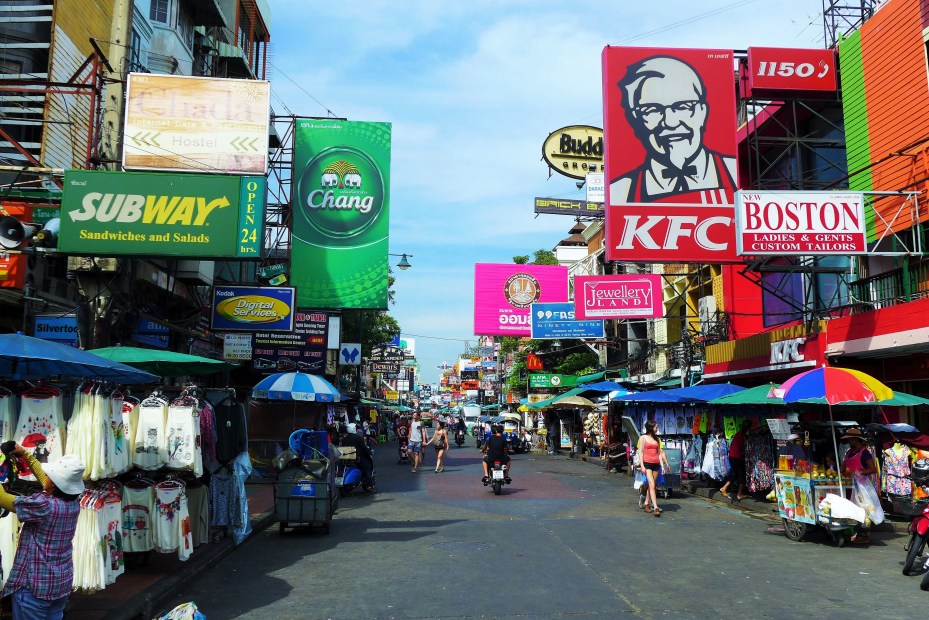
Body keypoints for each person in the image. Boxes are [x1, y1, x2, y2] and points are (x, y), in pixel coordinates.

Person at [610, 55, 737, 205]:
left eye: (683, 107)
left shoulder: (735, 174)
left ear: (702, 112)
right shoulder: (620, 192)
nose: (670, 122)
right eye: (652, 110)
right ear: (635, 119)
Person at [0, 442, 84, 619]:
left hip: (34, 589)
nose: (45, 477)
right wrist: (25, 454)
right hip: (59, 585)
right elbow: (48, 481)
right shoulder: (73, 503)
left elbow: (2, 498)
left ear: (53, 484)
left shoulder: (44, 506)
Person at [842, 428, 878, 544]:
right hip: (850, 485)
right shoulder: (848, 452)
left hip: (862, 486)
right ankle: (856, 532)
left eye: (849, 440)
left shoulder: (864, 452)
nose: (848, 442)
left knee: (864, 509)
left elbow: (873, 469)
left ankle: (864, 534)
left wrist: (860, 472)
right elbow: (843, 467)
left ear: (855, 439)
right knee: (854, 509)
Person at [637, 420, 669, 516]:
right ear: (651, 428)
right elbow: (640, 453)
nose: (657, 428)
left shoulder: (657, 439)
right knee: (652, 484)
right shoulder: (643, 438)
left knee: (653, 485)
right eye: (656, 427)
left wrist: (662, 466)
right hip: (647, 464)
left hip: (656, 464)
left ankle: (646, 503)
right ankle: (655, 507)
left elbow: (659, 453)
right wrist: (642, 466)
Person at [720, 420, 751, 500]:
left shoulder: (738, 434)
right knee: (742, 476)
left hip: (732, 457)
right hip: (737, 457)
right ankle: (739, 494)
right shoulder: (742, 436)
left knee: (736, 475)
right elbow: (742, 448)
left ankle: (724, 488)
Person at [339, 425, 375, 491]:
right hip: (358, 459)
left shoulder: (344, 439)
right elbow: (364, 448)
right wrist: (369, 452)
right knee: (368, 467)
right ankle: (369, 485)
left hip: (348, 459)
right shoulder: (358, 438)